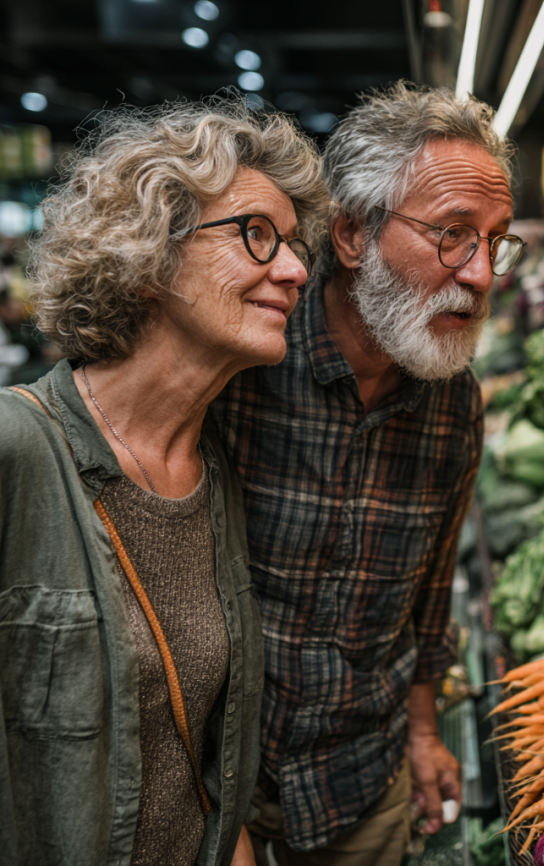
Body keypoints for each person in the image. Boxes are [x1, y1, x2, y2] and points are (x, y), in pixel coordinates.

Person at [0, 96, 327, 866]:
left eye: (291, 242)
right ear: (147, 254)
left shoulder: (214, 471)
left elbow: (196, 776)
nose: (295, 268)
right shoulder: (16, 451)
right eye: (256, 235)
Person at [210, 82, 523, 866]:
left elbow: (428, 596)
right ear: (352, 236)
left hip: (361, 778)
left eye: (497, 240)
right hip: (214, 777)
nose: (482, 274)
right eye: (453, 234)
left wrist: (423, 734)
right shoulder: (243, 364)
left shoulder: (454, 404)